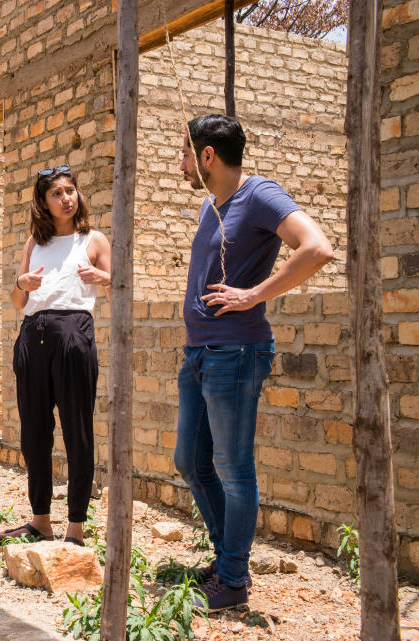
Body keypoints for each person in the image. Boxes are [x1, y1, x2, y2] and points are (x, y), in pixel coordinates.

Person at [173, 114, 334, 611]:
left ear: (207, 157)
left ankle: (233, 581)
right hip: (199, 352)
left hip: (235, 352)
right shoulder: (212, 205)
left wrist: (255, 295)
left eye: (184, 153)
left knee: (232, 467)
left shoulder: (260, 194)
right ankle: (226, 562)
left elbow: (317, 247)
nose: (179, 163)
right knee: (190, 461)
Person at [0, 164, 111, 547]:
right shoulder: (35, 242)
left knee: (77, 431)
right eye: (56, 193)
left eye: (70, 191)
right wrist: (20, 283)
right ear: (43, 203)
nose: (66, 198)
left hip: (73, 333)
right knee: (33, 434)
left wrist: (105, 279)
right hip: (32, 334)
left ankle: (75, 527)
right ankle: (40, 519)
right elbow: (18, 301)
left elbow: (115, 291)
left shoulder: (94, 240)